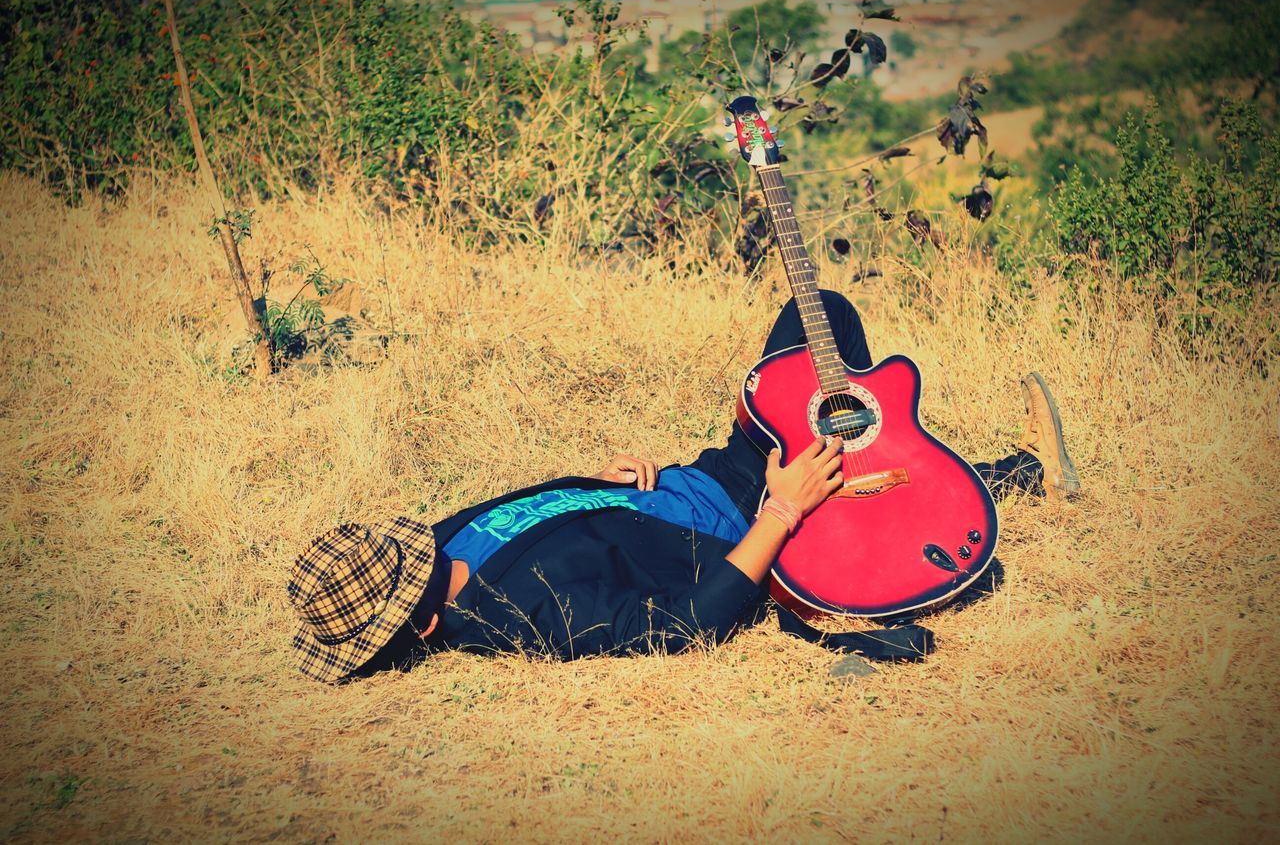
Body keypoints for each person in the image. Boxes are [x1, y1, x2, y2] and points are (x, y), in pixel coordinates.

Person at [287, 291, 1079, 683]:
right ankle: (1013, 475)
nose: (409, 540)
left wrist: (599, 486)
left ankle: (928, 470)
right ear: (423, 625)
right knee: (846, 457)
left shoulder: (443, 539)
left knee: (819, 313)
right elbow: (685, 626)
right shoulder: (520, 616)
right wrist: (783, 511)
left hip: (702, 473)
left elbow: (551, 513)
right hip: (748, 518)